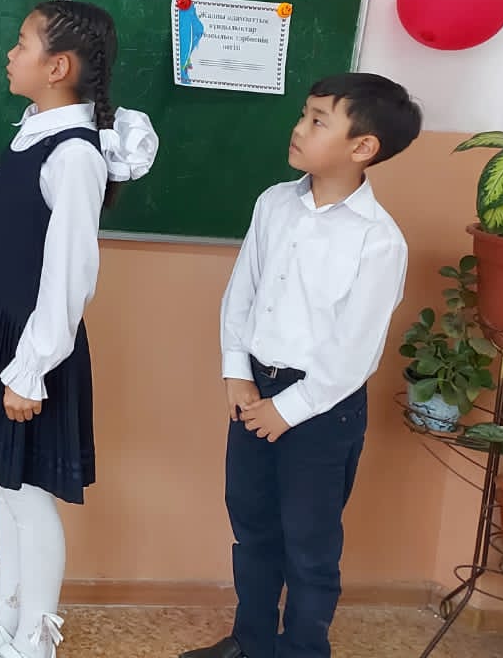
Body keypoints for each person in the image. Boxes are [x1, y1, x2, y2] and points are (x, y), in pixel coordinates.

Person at [0, 1, 157, 658]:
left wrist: (32, 369)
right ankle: (6, 621)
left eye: (21, 43)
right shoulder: (35, 131)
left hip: (29, 345)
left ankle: (36, 642)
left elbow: (71, 272)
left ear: (58, 67)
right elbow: (18, 211)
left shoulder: (76, 154)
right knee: (5, 483)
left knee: (25, 494)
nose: (10, 53)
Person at [180, 73, 422, 658]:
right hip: (254, 391)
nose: (299, 127)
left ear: (363, 146)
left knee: (309, 545)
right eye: (303, 114)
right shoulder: (274, 204)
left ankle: (304, 649)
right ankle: (252, 642)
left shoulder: (378, 241)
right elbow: (242, 292)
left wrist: (288, 410)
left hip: (321, 408)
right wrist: (237, 372)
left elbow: (355, 350)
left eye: (318, 120)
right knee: (252, 528)